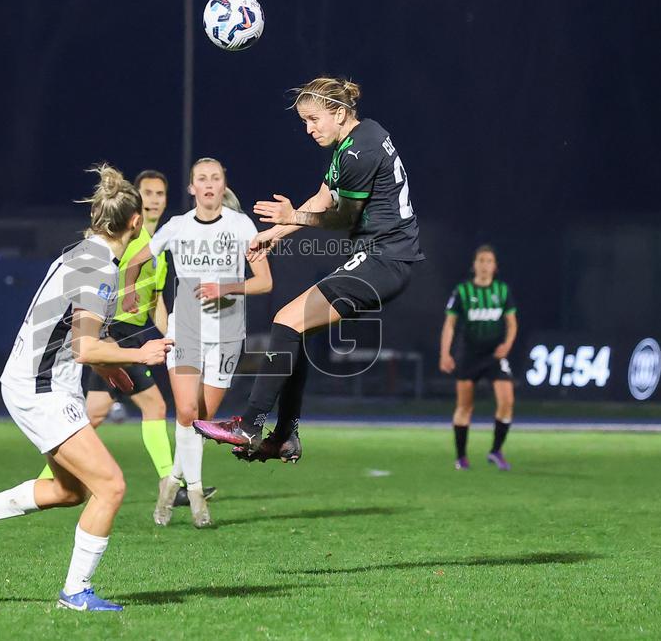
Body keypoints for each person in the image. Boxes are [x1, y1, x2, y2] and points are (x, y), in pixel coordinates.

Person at [0, 165, 172, 612]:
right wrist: (139, 355)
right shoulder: (101, 270)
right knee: (111, 486)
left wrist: (113, 373)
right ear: (135, 223)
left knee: (70, 491)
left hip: (40, 382)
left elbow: (75, 337)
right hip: (40, 388)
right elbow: (86, 347)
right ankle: (76, 592)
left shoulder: (79, 253)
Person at [191, 76, 425, 463]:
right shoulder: (361, 137)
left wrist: (292, 216)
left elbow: (341, 219)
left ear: (339, 111)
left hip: (385, 258)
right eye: (304, 121)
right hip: (385, 257)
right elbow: (323, 197)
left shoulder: (357, 153)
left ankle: (251, 425)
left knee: (286, 321)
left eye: (314, 119)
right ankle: (283, 436)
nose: (309, 129)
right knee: (292, 328)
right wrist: (278, 233)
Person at [36, 170, 215, 512]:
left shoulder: (159, 249)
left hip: (128, 333)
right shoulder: (126, 241)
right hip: (111, 334)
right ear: (136, 203)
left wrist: (174, 336)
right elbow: (101, 284)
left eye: (160, 193)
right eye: (147, 193)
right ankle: (169, 481)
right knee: (152, 407)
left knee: (96, 413)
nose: (154, 199)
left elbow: (155, 304)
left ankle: (54, 479)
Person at [122, 157, 272, 527]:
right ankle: (197, 494)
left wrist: (228, 287)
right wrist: (128, 291)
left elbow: (264, 282)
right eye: (201, 179)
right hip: (185, 329)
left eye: (215, 178)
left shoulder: (241, 226)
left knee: (202, 420)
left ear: (223, 186)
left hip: (226, 334)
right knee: (187, 412)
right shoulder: (176, 227)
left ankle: (172, 481)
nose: (208, 184)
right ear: (191, 188)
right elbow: (134, 260)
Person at [439, 244, 518, 470]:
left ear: (495, 267)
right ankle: (461, 457)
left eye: (489, 261)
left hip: (494, 354)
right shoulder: (462, 291)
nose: (484, 265)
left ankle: (496, 451)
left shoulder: (502, 291)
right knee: (465, 406)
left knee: (507, 401)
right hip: (469, 355)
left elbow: (512, 323)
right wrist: (445, 353)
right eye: (481, 261)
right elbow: (450, 325)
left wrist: (507, 345)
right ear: (474, 265)